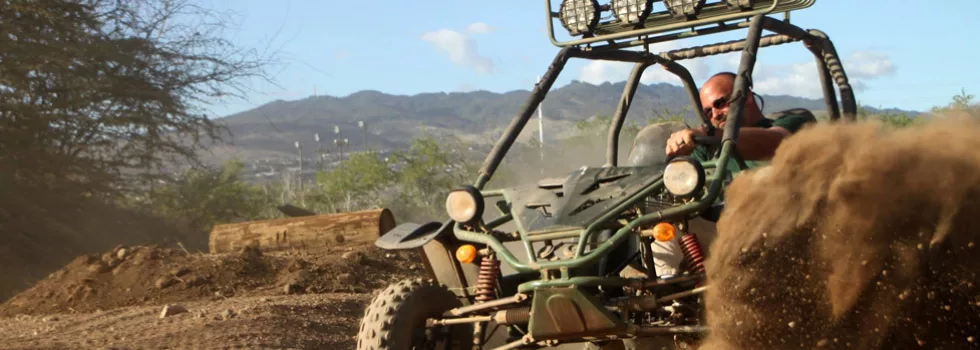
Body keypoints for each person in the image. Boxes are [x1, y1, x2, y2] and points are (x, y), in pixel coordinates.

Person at [622, 71, 817, 278]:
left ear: (747, 96)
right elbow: (679, 183)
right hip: (722, 232)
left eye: (721, 103)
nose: (715, 114)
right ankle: (668, 299)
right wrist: (679, 152)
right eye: (708, 111)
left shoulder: (794, 122)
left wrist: (708, 134)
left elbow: (776, 142)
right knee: (662, 220)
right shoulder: (706, 145)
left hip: (786, 231)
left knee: (762, 179)